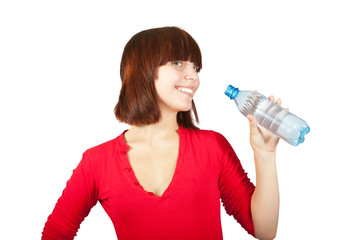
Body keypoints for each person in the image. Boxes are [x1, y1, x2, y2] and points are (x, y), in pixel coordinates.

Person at [42, 26, 280, 240]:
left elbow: (263, 230)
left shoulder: (212, 146)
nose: (194, 77)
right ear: (142, 70)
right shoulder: (97, 162)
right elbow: (55, 234)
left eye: (195, 68)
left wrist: (265, 153)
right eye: (178, 63)